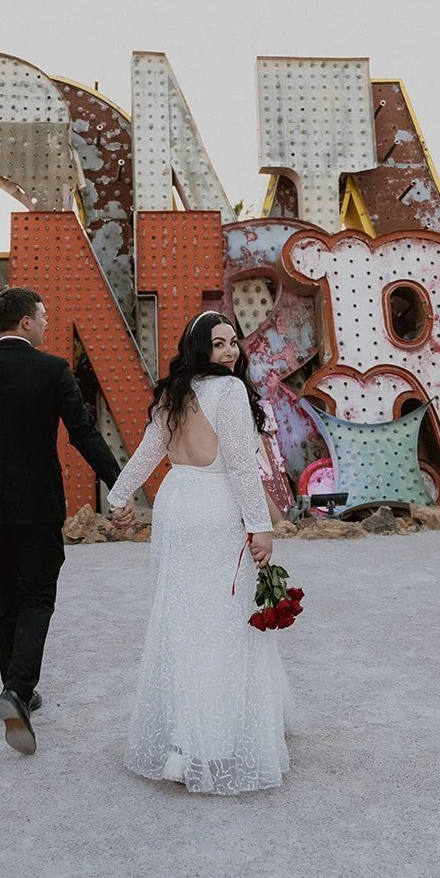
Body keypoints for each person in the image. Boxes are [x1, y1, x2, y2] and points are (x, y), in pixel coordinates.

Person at [107, 310, 290, 795]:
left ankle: (179, 741)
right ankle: (209, 739)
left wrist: (119, 497)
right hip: (214, 508)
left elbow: (148, 452)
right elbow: (242, 467)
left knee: (180, 617)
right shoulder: (229, 392)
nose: (229, 351)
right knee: (221, 619)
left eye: (233, 341)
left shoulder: (174, 392)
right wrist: (260, 527)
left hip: (176, 504)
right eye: (219, 343)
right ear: (200, 348)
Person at [0, 287, 123, 755]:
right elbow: (83, 433)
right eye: (42, 316)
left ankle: (16, 687)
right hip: (38, 503)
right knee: (38, 595)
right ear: (24, 322)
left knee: (5, 598)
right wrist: (118, 485)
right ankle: (18, 690)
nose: (46, 323)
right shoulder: (53, 370)